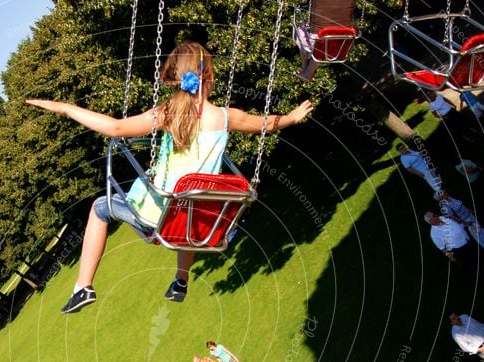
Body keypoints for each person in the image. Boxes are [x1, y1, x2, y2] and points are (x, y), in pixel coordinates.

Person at [27, 41, 314, 313]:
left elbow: (114, 128)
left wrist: (66, 108)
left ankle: (83, 287)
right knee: (189, 207)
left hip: (157, 215)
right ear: (209, 75)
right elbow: (266, 124)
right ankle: (181, 280)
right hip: (200, 219)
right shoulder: (226, 117)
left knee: (100, 207)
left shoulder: (168, 112)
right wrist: (290, 117)